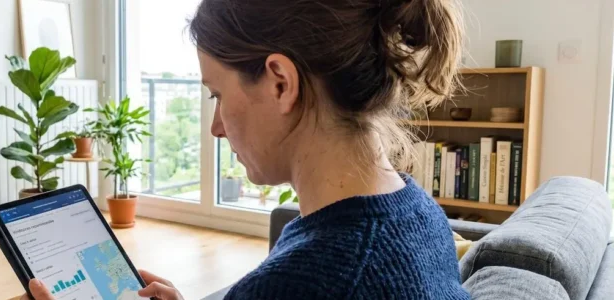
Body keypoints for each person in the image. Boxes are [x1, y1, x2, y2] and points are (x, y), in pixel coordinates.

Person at [26, 0, 469, 298]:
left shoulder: (304, 281)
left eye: (217, 94)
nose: (216, 128)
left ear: (280, 83)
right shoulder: (421, 215)